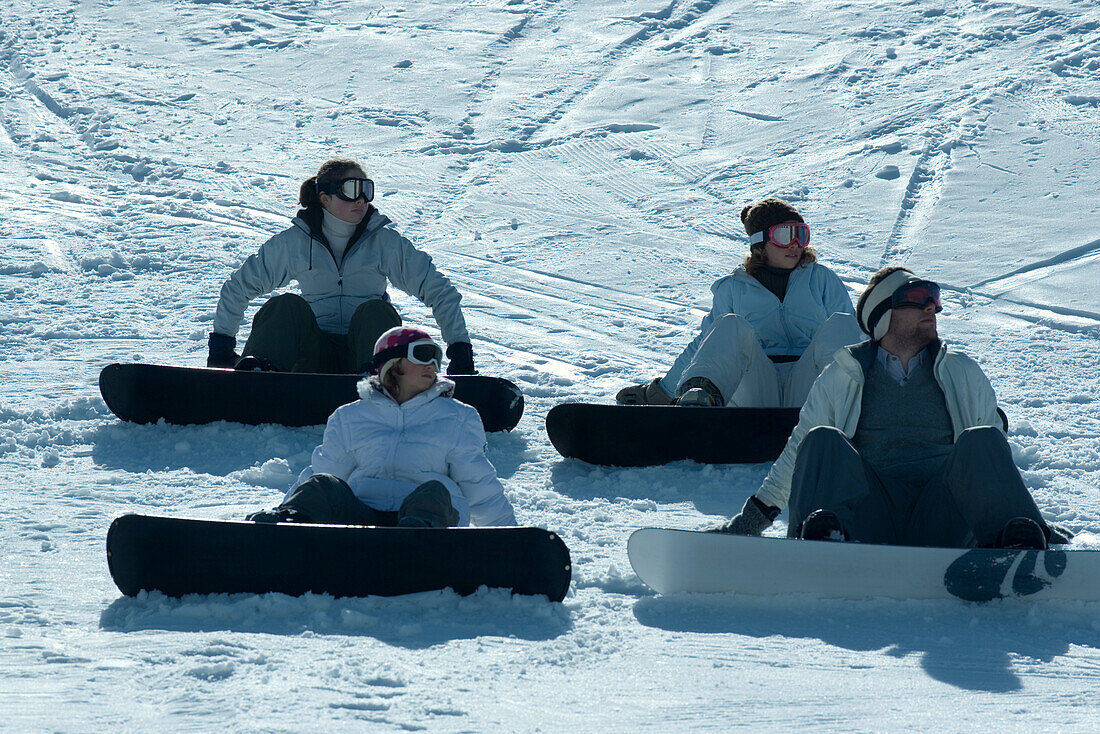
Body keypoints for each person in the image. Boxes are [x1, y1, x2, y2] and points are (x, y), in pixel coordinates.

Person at [711, 266, 1072, 549]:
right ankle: (822, 541)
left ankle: (1016, 549)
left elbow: (993, 462)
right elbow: (799, 453)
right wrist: (752, 521)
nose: (932, 306)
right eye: (918, 298)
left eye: (935, 299)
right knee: (822, 439)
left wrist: (1029, 518)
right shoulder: (845, 374)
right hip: (871, 516)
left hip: (942, 515)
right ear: (883, 314)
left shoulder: (961, 371)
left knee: (983, 438)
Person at [207, 157, 476, 376]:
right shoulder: (296, 243)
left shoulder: (383, 242)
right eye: (351, 190)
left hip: (367, 356)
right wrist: (222, 345)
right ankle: (257, 380)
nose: (361, 199)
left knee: (376, 310)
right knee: (284, 306)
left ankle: (378, 379)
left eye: (366, 190)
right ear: (325, 198)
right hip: (312, 357)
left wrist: (460, 349)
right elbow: (238, 287)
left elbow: (439, 290)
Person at [246, 326, 516, 528]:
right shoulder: (350, 416)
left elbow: (479, 483)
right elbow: (324, 473)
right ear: (392, 364)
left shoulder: (458, 417)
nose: (432, 365)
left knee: (435, 491)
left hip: (425, 519)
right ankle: (285, 532)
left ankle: (417, 544)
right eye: (422, 355)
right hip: (363, 519)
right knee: (322, 484)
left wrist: (509, 540)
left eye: (436, 357)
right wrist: (295, 505)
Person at [616, 198, 863, 409]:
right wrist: (660, 393)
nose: (795, 244)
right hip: (755, 388)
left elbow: (852, 338)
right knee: (729, 325)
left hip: (809, 388)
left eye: (801, 234)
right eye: (784, 234)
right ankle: (699, 404)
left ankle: (857, 403)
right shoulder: (733, 287)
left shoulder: (820, 279)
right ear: (760, 242)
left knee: (842, 322)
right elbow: (707, 345)